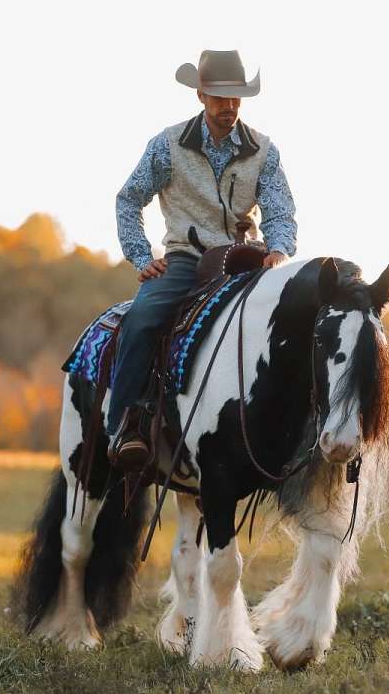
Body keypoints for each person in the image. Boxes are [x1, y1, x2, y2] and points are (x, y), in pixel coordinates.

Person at [107, 50, 297, 468]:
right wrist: (141, 256)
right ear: (200, 95)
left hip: (246, 262)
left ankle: (294, 426)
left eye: (236, 98)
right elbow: (128, 201)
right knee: (141, 318)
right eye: (219, 98)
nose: (229, 107)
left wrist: (279, 249)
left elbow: (279, 209)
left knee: (296, 320)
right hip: (185, 261)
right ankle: (125, 424)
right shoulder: (167, 145)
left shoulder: (263, 150)